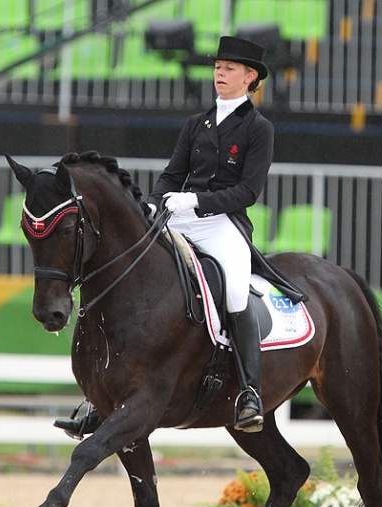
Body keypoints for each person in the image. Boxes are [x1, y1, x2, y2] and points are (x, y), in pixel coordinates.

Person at [56, 35, 305, 439]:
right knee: (137, 274)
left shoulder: (259, 128)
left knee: (237, 291)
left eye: (229, 69)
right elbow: (173, 173)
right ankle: (100, 399)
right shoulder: (197, 123)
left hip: (223, 223)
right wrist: (153, 204)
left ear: (250, 77)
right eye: (217, 67)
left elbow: (248, 192)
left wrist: (197, 200)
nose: (220, 74)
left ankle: (249, 393)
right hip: (181, 216)